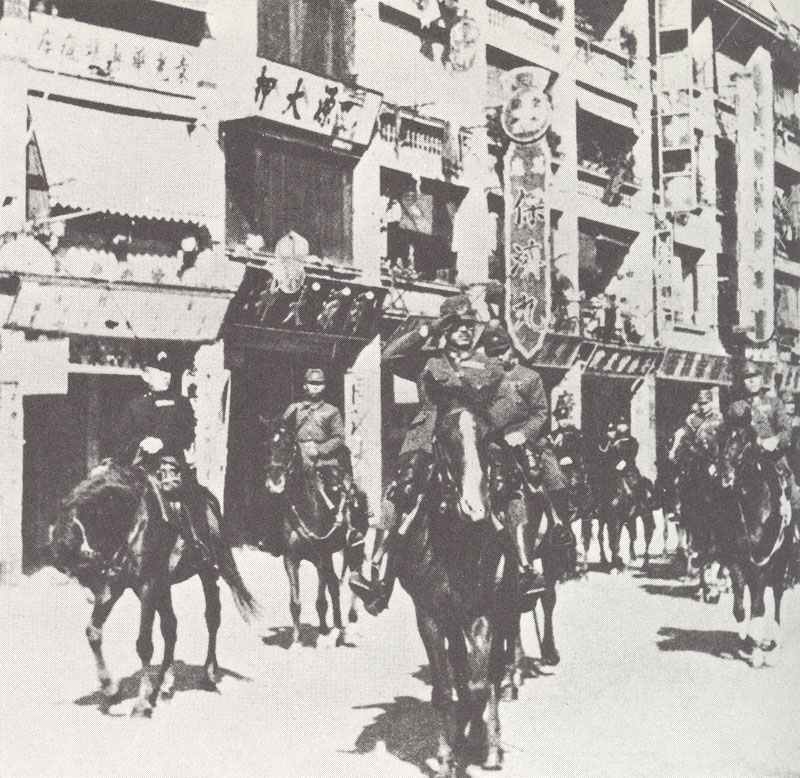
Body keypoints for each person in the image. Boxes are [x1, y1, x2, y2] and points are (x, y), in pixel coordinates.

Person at [350, 294, 499, 614]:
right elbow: (388, 356)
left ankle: (521, 569)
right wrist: (428, 330)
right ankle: (377, 575)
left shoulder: (487, 364)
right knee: (401, 492)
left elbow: (499, 403)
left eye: (468, 326)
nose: (463, 331)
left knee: (512, 486)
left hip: (473, 442)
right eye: (456, 325)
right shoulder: (427, 360)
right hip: (426, 441)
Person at [483, 327, 571, 594]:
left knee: (553, 478)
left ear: (513, 349)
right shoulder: (482, 378)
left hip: (525, 442)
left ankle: (561, 530)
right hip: (491, 442)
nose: (499, 357)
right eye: (493, 354)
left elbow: (541, 413)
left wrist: (523, 434)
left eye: (503, 352)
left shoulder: (530, 377)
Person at [115, 349, 213, 564]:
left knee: (188, 500)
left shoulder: (181, 403)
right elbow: (122, 439)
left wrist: (163, 442)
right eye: (160, 371)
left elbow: (188, 434)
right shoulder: (134, 406)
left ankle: (199, 546)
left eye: (168, 371)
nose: (166, 375)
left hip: (172, 467)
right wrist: (141, 442)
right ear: (145, 376)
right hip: (142, 468)